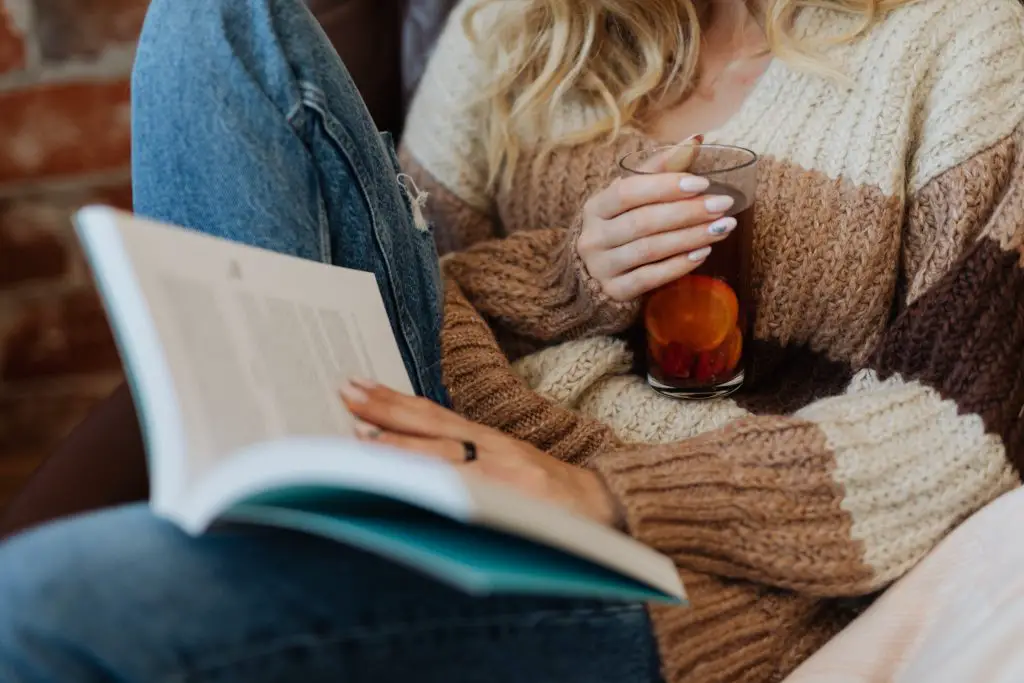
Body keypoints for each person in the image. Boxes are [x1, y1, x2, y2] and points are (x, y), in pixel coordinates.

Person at [0, 0, 1022, 681]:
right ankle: (255, 477)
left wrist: (602, 495)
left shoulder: (962, 38)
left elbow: (961, 429)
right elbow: (421, 288)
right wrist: (568, 278)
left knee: (48, 598)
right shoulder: (515, 23)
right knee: (217, 19)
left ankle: (256, 555)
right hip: (429, 425)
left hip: (653, 551)